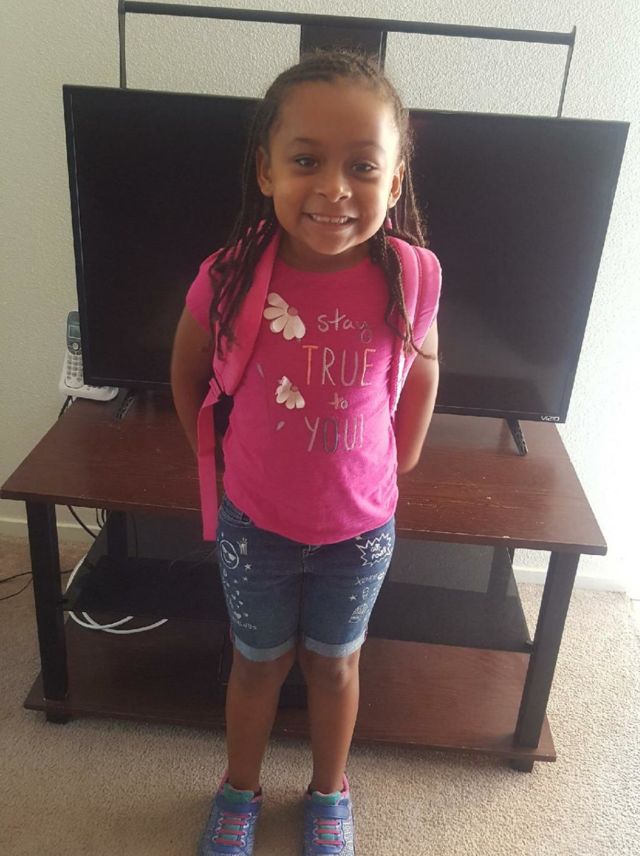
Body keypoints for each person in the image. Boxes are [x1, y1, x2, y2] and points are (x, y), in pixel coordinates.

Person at [171, 48, 441, 856]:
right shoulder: (231, 274)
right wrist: (210, 452)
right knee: (256, 665)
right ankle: (240, 789)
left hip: (360, 531)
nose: (334, 188)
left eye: (362, 165)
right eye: (305, 161)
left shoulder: (410, 276)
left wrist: (405, 455)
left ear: (394, 179)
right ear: (266, 169)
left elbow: (425, 365)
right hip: (256, 524)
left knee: (335, 666)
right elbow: (187, 371)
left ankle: (329, 793)